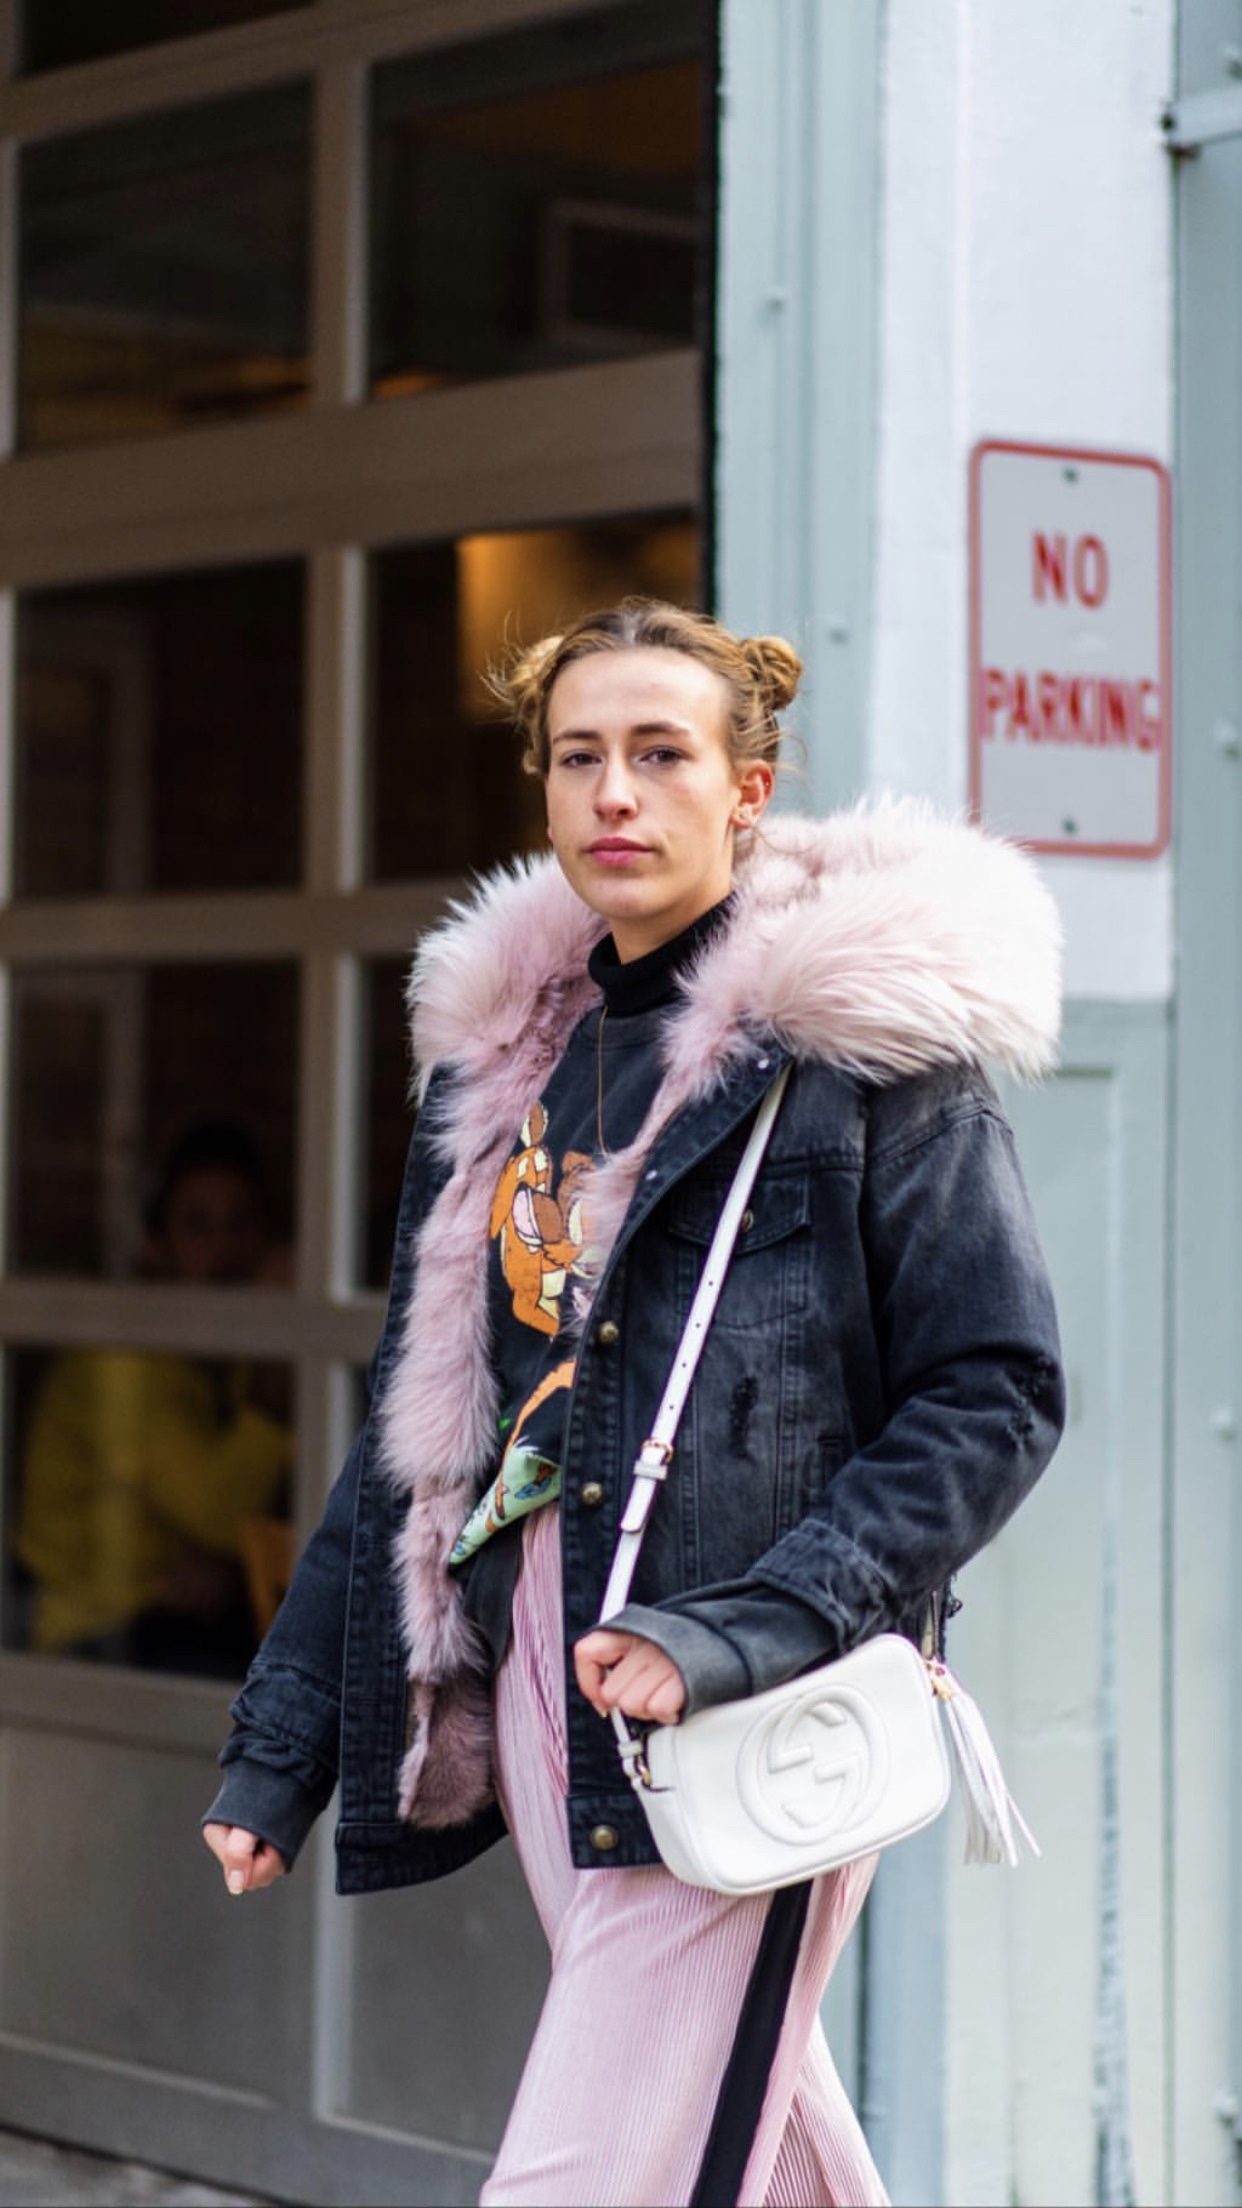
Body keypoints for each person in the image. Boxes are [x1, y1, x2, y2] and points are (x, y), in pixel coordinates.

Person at [202, 600, 1065, 2206]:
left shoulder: (860, 1050)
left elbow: (993, 1391)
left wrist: (744, 1627)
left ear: (746, 790)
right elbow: (420, 1435)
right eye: (577, 756)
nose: (613, 792)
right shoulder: (511, 1067)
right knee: (749, 2138)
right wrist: (284, 1744)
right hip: (541, 1656)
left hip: (739, 1682)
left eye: (661, 754)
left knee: (588, 2172)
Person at [16, 1118, 293, 1675]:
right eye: (197, 1226)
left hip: (177, 1604)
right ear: (156, 1247)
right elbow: (219, 1512)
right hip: (83, 1632)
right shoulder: (124, 1359)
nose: (223, 1249)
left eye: (241, 1223)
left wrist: (224, 1559)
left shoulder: (218, 1352)